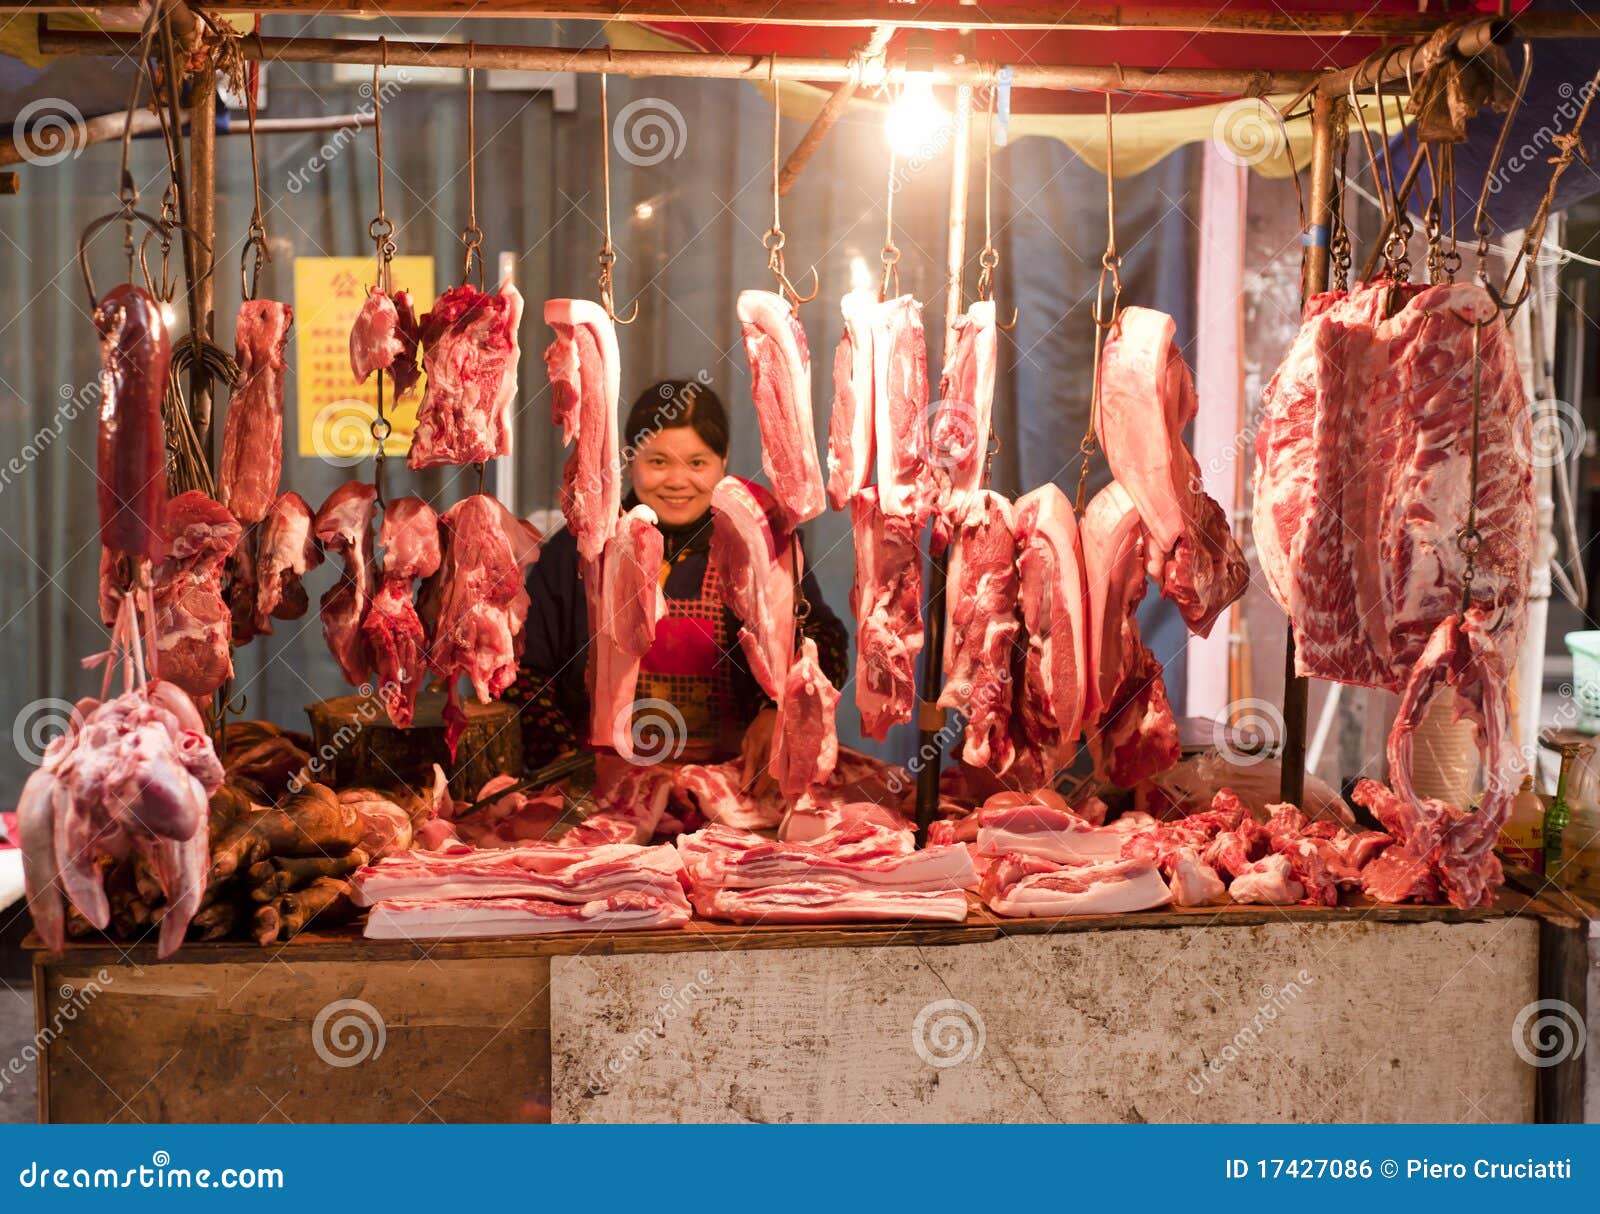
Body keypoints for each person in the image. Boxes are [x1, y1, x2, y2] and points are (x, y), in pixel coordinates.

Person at [509, 379, 848, 773]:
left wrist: (776, 709)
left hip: (727, 786)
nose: (676, 480)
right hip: (600, 786)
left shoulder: (756, 546)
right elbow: (525, 673)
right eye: (658, 462)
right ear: (630, 461)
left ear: (723, 461)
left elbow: (823, 642)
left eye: (697, 463)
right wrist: (567, 763)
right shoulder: (580, 549)